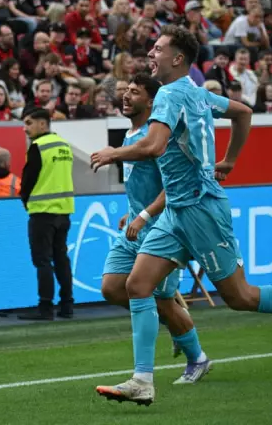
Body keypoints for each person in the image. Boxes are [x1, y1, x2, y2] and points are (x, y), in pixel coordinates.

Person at [91, 25, 272, 406]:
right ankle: (143, 379)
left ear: (177, 59)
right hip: (176, 209)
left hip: (202, 208)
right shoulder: (199, 93)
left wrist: (113, 153)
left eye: (158, 50)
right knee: (136, 286)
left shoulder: (171, 94)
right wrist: (229, 160)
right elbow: (242, 113)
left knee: (240, 296)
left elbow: (155, 145)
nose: (151, 55)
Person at [100, 74, 211, 385]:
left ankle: (197, 358)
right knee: (111, 288)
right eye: (124, 91)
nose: (125, 96)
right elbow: (142, 183)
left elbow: (172, 187)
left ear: (151, 101)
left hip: (162, 228)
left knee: (160, 300)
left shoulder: (157, 137)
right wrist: (130, 213)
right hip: (135, 226)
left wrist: (145, 216)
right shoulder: (130, 133)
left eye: (133, 92)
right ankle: (174, 322)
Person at [18, 106, 75, 321]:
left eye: (29, 123)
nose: (25, 128)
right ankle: (67, 305)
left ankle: (45, 307)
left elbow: (28, 180)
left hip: (42, 212)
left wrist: (26, 200)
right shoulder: (64, 145)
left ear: (43, 124)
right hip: (64, 211)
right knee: (61, 258)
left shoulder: (38, 146)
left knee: (42, 261)